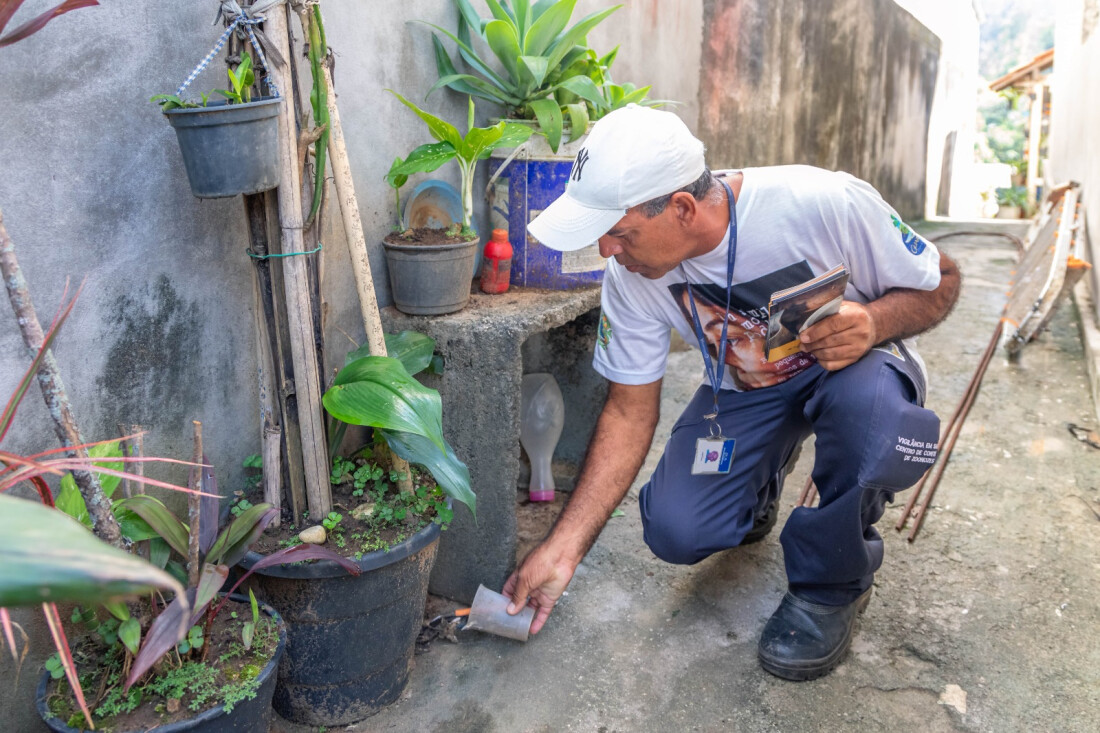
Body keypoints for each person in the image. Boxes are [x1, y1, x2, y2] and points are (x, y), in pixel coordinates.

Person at [503, 104, 960, 681]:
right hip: (748, 389)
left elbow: (943, 281)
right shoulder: (631, 276)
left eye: (619, 233)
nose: (606, 252)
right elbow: (627, 412)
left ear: (682, 208)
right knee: (676, 528)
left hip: (854, 367)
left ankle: (831, 587)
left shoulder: (822, 202)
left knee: (873, 425)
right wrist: (562, 550)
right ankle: (760, 481)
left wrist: (874, 321)